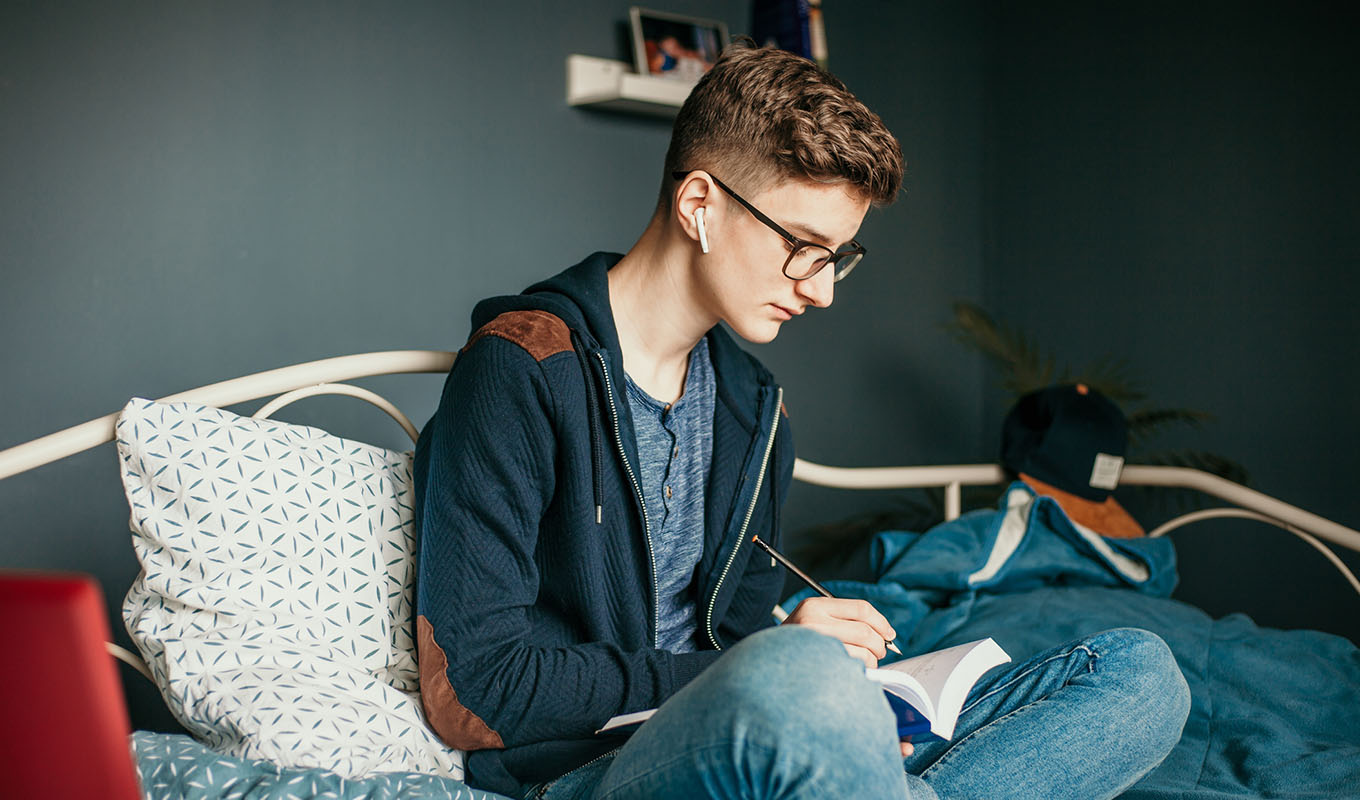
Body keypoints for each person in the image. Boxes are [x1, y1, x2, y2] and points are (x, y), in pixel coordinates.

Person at [414, 41, 1190, 800]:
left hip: (770, 737)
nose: (821, 291)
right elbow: (476, 688)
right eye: (804, 247)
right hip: (594, 767)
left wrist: (816, 671)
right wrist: (777, 670)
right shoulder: (523, 366)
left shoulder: (753, 407)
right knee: (804, 681)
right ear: (699, 205)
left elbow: (741, 634)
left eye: (838, 256)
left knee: (1139, 674)